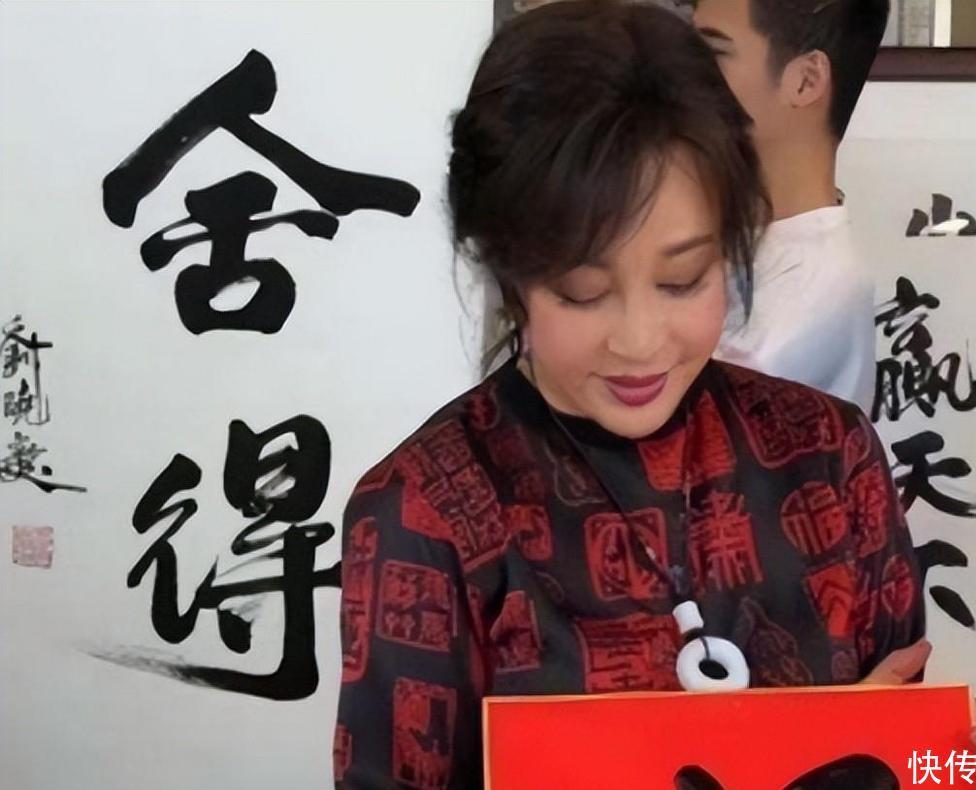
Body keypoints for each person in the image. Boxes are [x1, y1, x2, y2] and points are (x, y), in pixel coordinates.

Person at [334, 2, 936, 787]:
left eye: (683, 279)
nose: (641, 340)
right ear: (509, 272)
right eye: (584, 293)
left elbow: (914, 747)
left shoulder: (829, 456)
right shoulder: (427, 513)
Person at [694, 0, 888, 409]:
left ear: (805, 81)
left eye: (713, 52)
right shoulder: (731, 234)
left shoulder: (812, 292)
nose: (683, 73)